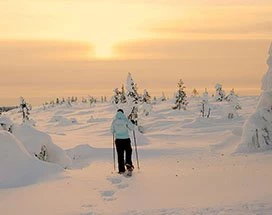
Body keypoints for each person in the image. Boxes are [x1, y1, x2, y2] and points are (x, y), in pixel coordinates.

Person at [111, 109, 134, 174]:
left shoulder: (114, 121)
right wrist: (132, 123)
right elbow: (131, 128)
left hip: (118, 140)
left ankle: (121, 170)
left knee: (120, 155)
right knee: (128, 151)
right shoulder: (125, 120)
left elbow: (112, 131)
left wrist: (116, 131)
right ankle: (128, 163)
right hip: (126, 139)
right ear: (123, 113)